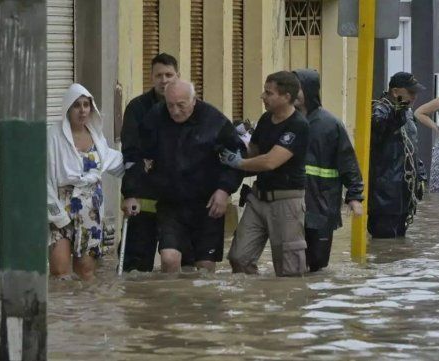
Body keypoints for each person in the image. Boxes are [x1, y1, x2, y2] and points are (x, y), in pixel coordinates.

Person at [130, 79, 245, 273]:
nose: (174, 111)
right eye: (170, 105)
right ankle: (171, 302)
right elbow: (137, 154)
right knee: (169, 258)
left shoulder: (214, 120)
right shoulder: (156, 117)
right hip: (171, 203)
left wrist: (224, 190)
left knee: (204, 268)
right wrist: (132, 190)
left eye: (181, 105)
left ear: (194, 100)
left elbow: (237, 159)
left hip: (208, 204)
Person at [221, 71, 309, 276]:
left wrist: (239, 163)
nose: (263, 96)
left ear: (286, 97)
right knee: (238, 258)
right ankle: (258, 301)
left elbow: (270, 161)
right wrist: (236, 144)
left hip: (286, 203)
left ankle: (284, 305)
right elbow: (255, 151)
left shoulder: (298, 125)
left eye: (269, 93)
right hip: (258, 199)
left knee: (289, 271)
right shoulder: (266, 119)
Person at [47, 83, 124, 281]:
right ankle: (63, 312)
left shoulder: (97, 137)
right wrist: (56, 214)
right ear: (68, 108)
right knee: (59, 272)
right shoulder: (53, 137)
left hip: (91, 210)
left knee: (86, 273)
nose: (82, 110)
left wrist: (142, 166)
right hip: (61, 208)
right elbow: (42, 178)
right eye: (77, 105)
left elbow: (115, 162)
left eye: (86, 105)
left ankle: (86, 311)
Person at [293, 69, 364, 272]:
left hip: (322, 204)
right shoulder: (284, 120)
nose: (292, 93)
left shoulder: (330, 124)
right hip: (290, 202)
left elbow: (348, 161)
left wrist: (355, 196)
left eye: (297, 88)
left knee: (317, 262)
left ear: (309, 90)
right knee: (292, 262)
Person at [120, 53, 179, 272]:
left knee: (177, 261)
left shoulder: (190, 105)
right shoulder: (137, 108)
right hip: (143, 194)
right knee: (135, 265)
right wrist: (130, 193)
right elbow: (131, 153)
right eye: (159, 75)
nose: (164, 80)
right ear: (151, 77)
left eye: (169, 75)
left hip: (177, 198)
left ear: (177, 76)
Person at [368, 72, 427, 239]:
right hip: (385, 192)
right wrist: (396, 115)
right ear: (395, 92)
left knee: (399, 245)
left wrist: (421, 175)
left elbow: (411, 146)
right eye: (410, 92)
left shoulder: (407, 113)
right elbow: (378, 130)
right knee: (384, 242)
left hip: (404, 192)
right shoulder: (379, 109)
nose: (414, 97)